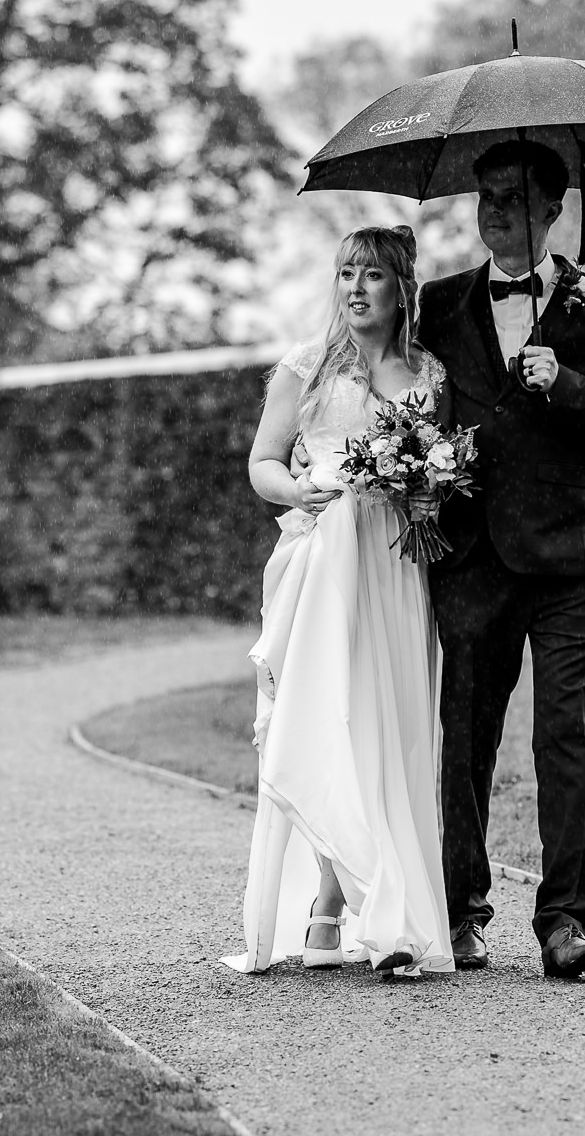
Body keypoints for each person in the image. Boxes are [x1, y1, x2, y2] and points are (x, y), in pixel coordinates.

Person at [414, 140, 585, 978]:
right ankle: (459, 912)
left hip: (575, 564)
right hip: (473, 560)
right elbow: (406, 402)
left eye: (513, 197)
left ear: (553, 209)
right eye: (485, 196)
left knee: (564, 744)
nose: (492, 210)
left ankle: (564, 923)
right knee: (465, 744)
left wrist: (566, 384)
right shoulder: (438, 305)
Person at [224, 224, 455, 978]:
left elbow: (437, 471)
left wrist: (424, 484)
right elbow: (262, 461)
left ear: (402, 289)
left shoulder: (429, 374)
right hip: (323, 560)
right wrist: (300, 489)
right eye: (346, 273)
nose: (356, 288)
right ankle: (354, 907)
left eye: (374, 276)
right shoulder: (307, 367)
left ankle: (341, 909)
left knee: (385, 729)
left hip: (394, 568)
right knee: (328, 721)